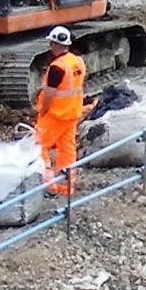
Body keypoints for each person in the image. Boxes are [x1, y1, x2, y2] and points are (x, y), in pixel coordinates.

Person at [34, 25, 88, 197]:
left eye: (51, 44)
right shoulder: (77, 61)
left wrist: (43, 109)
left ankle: (48, 184)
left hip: (56, 114)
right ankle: (67, 187)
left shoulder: (57, 67)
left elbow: (50, 92)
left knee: (39, 146)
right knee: (67, 151)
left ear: (55, 44)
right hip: (72, 113)